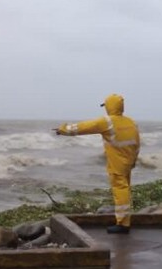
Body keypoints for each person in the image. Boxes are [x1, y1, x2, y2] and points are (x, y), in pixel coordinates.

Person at [56, 94, 140, 234]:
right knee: (125, 190)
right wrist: (134, 160)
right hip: (128, 161)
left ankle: (123, 224)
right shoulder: (131, 122)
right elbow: (137, 143)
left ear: (109, 106)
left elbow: (83, 127)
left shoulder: (107, 122)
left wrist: (63, 129)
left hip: (116, 163)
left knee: (120, 191)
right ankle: (125, 220)